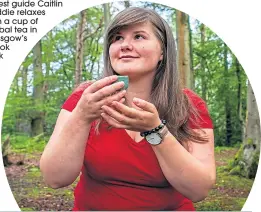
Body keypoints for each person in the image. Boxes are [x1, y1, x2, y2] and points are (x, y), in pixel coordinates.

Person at [40, 7, 216, 211]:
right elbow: (54, 178)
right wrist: (82, 116)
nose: (125, 45)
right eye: (117, 38)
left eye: (139, 36)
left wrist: (155, 131)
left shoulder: (190, 105)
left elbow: (198, 190)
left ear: (162, 52)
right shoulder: (85, 98)